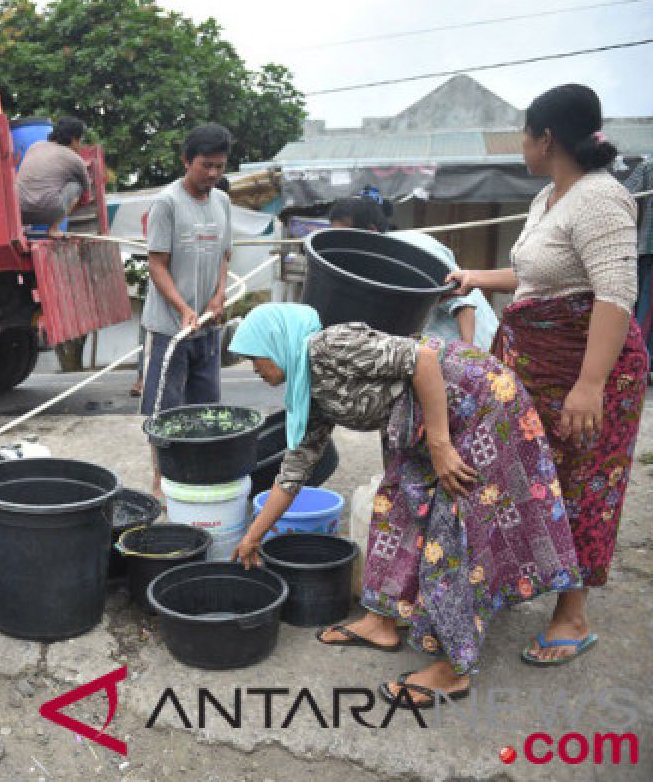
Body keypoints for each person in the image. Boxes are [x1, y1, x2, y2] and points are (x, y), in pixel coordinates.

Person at [229, 304, 581, 706]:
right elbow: (294, 473)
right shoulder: (307, 390)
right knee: (397, 509)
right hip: (422, 420)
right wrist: (252, 537)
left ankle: (454, 667)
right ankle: (382, 621)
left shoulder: (329, 346)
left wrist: (440, 445)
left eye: (254, 356)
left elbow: (423, 360)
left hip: (477, 403)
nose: (254, 368)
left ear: (276, 343)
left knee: (452, 527)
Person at [448, 83, 648, 665]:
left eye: (524, 132)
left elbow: (615, 295)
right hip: (538, 363)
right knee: (533, 476)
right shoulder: (548, 198)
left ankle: (572, 614)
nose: (521, 143)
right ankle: (528, 575)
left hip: (591, 368)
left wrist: (590, 387)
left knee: (585, 485)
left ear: (547, 138)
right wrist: (475, 277)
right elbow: (534, 277)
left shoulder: (602, 198)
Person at [141, 124, 233, 494]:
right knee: (164, 413)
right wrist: (182, 308)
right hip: (170, 329)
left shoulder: (223, 202)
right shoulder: (167, 203)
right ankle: (161, 483)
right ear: (186, 160)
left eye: (219, 166)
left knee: (206, 410)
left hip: (208, 327)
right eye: (205, 165)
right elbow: (156, 264)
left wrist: (219, 295)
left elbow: (225, 254)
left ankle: (199, 476)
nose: (212, 174)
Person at [327, 194, 498, 350]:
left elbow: (463, 302)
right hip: (435, 353)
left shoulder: (413, 250)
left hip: (475, 350)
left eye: (347, 236)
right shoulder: (373, 265)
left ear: (371, 232)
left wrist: (469, 355)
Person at [16, 117, 91, 235]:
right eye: (81, 140)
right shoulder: (76, 159)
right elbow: (86, 197)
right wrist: (69, 208)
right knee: (77, 186)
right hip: (50, 213)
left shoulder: (35, 146)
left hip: (18, 213)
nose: (81, 144)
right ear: (74, 140)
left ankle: (22, 227)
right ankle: (54, 228)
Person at [622, 157, 653, 360]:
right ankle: (639, 360)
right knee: (646, 309)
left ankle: (639, 360)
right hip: (650, 249)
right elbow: (622, 193)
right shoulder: (649, 165)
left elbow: (622, 192)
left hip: (648, 249)